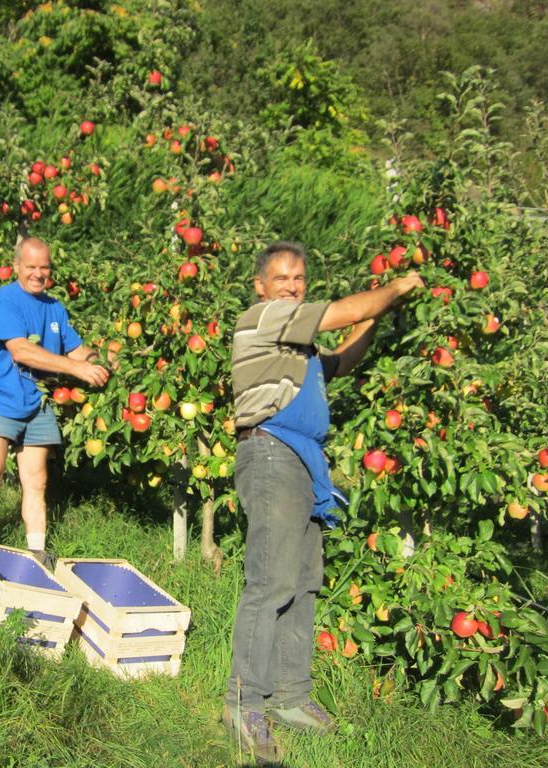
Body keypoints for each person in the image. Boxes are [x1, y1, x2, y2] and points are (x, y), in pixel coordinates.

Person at [222, 241, 423, 762]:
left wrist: (379, 317)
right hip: (271, 454)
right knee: (271, 582)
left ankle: (291, 697)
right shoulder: (263, 319)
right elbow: (346, 312)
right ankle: (244, 702)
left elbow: (340, 361)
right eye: (282, 278)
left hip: (305, 462)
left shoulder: (298, 351)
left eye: (300, 279)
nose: (291, 286)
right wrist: (395, 287)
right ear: (261, 287)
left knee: (304, 582)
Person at [0, 237, 110, 567]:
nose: (38, 273)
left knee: (37, 480)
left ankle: (36, 554)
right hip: (0, 398)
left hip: (38, 402)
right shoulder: (4, 300)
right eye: (30, 266)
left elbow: (75, 349)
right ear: (16, 266)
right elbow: (21, 350)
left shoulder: (54, 308)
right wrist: (77, 368)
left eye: (44, 267)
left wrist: (103, 358)